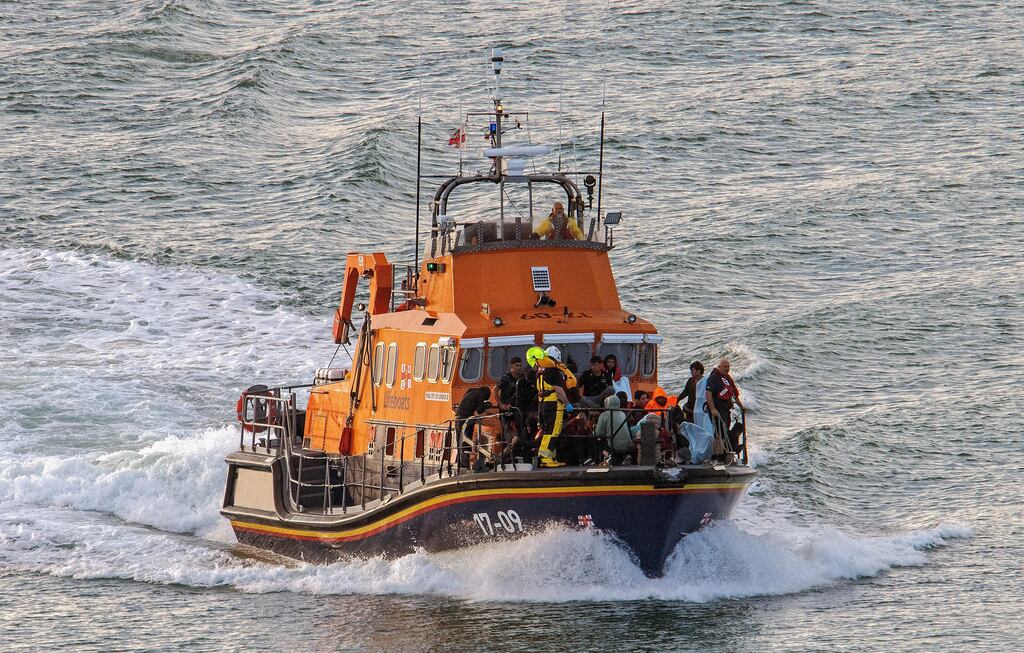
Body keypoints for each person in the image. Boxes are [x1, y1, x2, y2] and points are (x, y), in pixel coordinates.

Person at [531, 345, 573, 467]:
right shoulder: (556, 371)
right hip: (553, 404)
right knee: (553, 430)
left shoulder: (540, 371)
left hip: (542, 403)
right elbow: (559, 390)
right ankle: (545, 458)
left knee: (546, 430)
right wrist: (568, 404)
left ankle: (550, 457)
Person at [705, 359, 744, 452]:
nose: (727, 368)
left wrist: (742, 407)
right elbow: (708, 393)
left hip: (725, 410)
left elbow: (735, 395)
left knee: (725, 431)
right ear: (719, 367)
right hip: (716, 410)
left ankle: (726, 451)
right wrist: (713, 409)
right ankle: (718, 454)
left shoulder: (728, 379)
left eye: (728, 366)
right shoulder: (713, 378)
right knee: (719, 433)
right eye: (724, 366)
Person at [455, 386, 492, 468]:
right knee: (466, 443)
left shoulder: (471, 391)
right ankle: (464, 465)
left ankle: (459, 463)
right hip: (466, 418)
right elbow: (480, 409)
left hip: (458, 417)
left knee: (460, 442)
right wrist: (486, 405)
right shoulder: (480, 394)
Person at [595, 394, 634, 465]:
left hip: (613, 447)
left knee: (600, 445)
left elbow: (599, 433)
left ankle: (607, 457)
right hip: (628, 446)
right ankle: (626, 456)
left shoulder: (604, 415)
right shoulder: (622, 414)